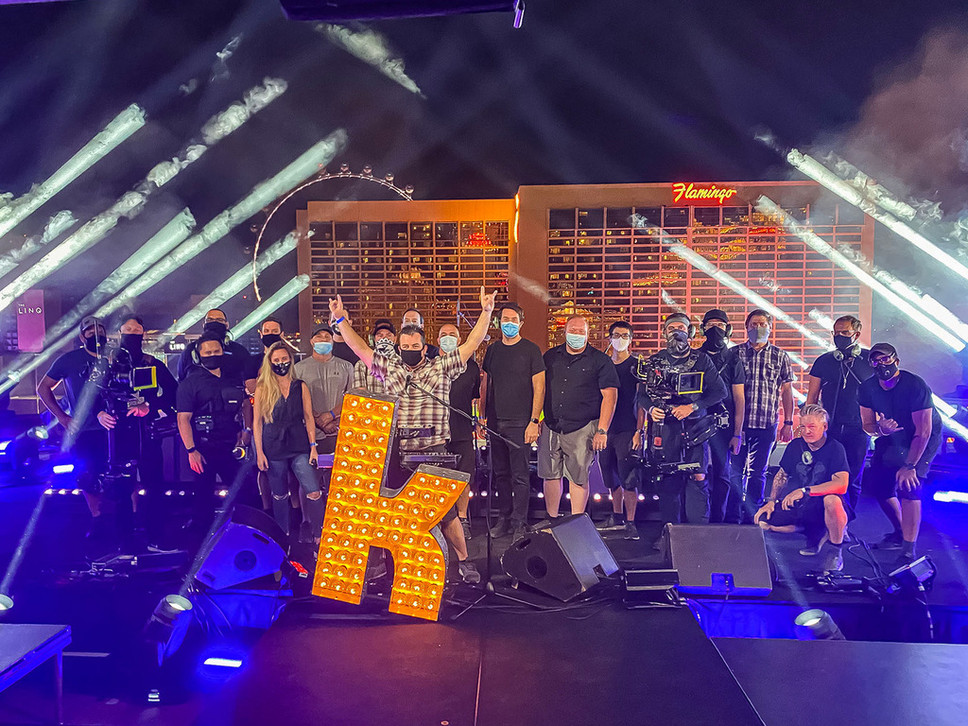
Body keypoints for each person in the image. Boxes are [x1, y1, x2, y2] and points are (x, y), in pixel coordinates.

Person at [330, 288, 497, 584]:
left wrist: (485, 313)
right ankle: (391, 566)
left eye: (414, 345)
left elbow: (472, 343)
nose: (409, 348)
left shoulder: (440, 369)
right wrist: (341, 319)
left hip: (434, 450)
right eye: (403, 344)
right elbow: (359, 349)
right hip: (398, 453)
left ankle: (464, 561)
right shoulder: (389, 368)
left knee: (445, 515)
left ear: (424, 348)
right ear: (397, 347)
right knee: (392, 514)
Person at [37, 317, 149, 535]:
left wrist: (140, 404)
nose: (96, 335)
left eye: (99, 331)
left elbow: (133, 387)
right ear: (82, 337)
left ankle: (132, 519)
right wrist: (62, 417)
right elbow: (43, 388)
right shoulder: (68, 360)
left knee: (126, 472)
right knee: (89, 475)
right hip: (86, 429)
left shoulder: (118, 357)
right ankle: (98, 520)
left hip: (118, 426)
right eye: (90, 332)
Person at [637, 313, 727, 525]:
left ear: (690, 333)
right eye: (671, 328)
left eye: (681, 328)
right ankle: (670, 534)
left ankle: (698, 536)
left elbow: (719, 392)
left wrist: (692, 406)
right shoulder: (654, 361)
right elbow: (641, 395)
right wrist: (651, 409)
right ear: (664, 332)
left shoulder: (702, 360)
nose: (676, 332)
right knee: (669, 481)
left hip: (697, 427)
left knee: (698, 478)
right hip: (666, 430)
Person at [858, 343, 942, 565]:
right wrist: (880, 429)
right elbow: (867, 424)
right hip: (892, 436)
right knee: (879, 486)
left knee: (909, 486)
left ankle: (908, 548)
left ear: (896, 360)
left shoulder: (915, 385)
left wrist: (911, 465)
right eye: (876, 360)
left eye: (886, 359)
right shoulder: (867, 388)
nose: (881, 364)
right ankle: (899, 531)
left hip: (922, 437)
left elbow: (924, 431)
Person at [99, 315, 179, 543]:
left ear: (143, 334)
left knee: (155, 487)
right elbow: (91, 395)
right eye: (127, 329)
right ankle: (122, 539)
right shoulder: (107, 363)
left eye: (136, 329)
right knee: (120, 488)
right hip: (118, 434)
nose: (132, 333)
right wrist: (99, 414)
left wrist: (150, 406)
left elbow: (175, 394)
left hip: (148, 433)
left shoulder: (153, 363)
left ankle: (157, 536)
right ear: (119, 333)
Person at [539, 315, 618, 518]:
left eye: (581, 331)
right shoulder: (550, 357)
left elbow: (610, 396)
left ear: (587, 334)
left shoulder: (600, 360)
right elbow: (541, 389)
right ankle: (552, 521)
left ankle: (576, 522)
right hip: (551, 424)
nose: (576, 335)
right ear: (564, 332)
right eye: (572, 331)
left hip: (583, 427)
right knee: (550, 475)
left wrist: (602, 430)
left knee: (578, 477)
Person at [754, 404, 850, 573]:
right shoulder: (795, 446)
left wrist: (806, 490)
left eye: (812, 427)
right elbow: (782, 475)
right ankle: (815, 531)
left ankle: (835, 552)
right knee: (761, 520)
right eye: (803, 427)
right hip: (800, 504)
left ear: (824, 427)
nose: (806, 431)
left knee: (832, 501)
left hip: (823, 504)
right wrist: (771, 501)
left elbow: (841, 484)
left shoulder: (836, 448)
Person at [481, 302, 545, 541]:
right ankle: (503, 519)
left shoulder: (531, 350)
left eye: (513, 319)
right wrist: (482, 417)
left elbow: (539, 387)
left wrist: (533, 421)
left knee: (520, 475)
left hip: (521, 423)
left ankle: (520, 522)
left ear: (521, 322)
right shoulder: (493, 350)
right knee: (501, 475)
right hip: (495, 423)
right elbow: (486, 383)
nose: (508, 323)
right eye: (504, 319)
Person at [726, 309, 796, 524]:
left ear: (770, 328)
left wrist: (788, 422)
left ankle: (752, 515)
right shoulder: (733, 354)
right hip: (739, 425)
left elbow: (786, 391)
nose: (758, 328)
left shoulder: (780, 355)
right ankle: (731, 515)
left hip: (766, 423)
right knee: (735, 471)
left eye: (762, 324)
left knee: (758, 472)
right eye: (754, 324)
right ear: (746, 327)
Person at [253, 342, 325, 545]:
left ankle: (319, 535)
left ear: (290, 360)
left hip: (299, 443)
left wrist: (313, 447)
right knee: (279, 495)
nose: (281, 363)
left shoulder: (300, 385)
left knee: (313, 490)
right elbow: (257, 422)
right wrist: (259, 452)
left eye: (284, 359)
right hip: (273, 445)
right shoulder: (263, 388)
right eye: (276, 360)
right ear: (270, 363)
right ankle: (282, 537)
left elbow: (309, 417)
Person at [176, 334, 247, 532]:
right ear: (199, 356)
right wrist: (191, 451)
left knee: (245, 492)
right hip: (202, 450)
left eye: (216, 351)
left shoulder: (233, 379)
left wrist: (245, 430)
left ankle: (240, 532)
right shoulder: (190, 384)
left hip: (229, 447)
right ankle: (200, 543)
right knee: (203, 499)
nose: (213, 355)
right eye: (207, 352)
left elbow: (244, 406)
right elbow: (183, 419)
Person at [806, 315, 875, 516]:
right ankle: (823, 520)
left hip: (858, 429)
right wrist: (809, 426)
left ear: (856, 334)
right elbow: (812, 397)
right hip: (830, 428)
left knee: (853, 478)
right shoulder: (824, 361)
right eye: (836, 333)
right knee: (825, 475)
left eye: (845, 332)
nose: (839, 336)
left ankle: (845, 522)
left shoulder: (869, 361)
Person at [293, 325, 353, 535]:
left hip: (337, 431)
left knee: (338, 481)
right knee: (308, 481)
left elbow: (350, 396)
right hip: (309, 434)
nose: (323, 339)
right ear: (311, 342)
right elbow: (295, 399)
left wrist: (331, 416)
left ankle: (336, 525)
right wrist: (317, 418)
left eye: (327, 336)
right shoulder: (299, 368)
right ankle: (308, 522)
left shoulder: (346, 366)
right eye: (319, 336)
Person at [698, 309, 746, 524]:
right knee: (696, 474)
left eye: (720, 325)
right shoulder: (695, 357)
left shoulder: (734, 360)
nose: (715, 329)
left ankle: (718, 521)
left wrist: (737, 433)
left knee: (722, 475)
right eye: (710, 325)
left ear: (728, 329)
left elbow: (739, 398)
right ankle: (697, 519)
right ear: (702, 329)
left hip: (724, 426)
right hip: (696, 423)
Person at [596, 321, 642, 540]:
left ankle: (631, 522)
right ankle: (616, 516)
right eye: (616, 335)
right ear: (609, 338)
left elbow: (642, 402)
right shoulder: (603, 365)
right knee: (610, 475)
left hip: (628, 428)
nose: (620, 339)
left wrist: (639, 431)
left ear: (631, 339)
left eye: (624, 335)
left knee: (628, 477)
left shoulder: (637, 366)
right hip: (606, 429)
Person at [438, 323, 481, 541]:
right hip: (435, 434)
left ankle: (462, 519)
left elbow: (476, 397)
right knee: (438, 478)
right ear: (437, 341)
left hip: (463, 430)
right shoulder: (431, 366)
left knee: (464, 478)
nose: (448, 338)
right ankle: (439, 519)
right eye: (443, 335)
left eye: (452, 335)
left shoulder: (471, 367)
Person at [177, 308, 250, 385]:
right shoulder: (190, 350)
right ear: (203, 324)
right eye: (210, 320)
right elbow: (181, 379)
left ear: (227, 325)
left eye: (219, 320)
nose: (214, 322)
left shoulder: (239, 351)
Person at [244, 317, 287, 395]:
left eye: (275, 331)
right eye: (266, 331)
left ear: (282, 334)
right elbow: (252, 388)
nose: (270, 334)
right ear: (261, 334)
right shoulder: (251, 361)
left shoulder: (290, 359)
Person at [354, 319, 395, 394]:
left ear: (395, 339)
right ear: (374, 339)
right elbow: (360, 395)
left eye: (388, 335)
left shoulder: (402, 363)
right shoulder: (362, 364)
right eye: (380, 335)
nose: (384, 338)